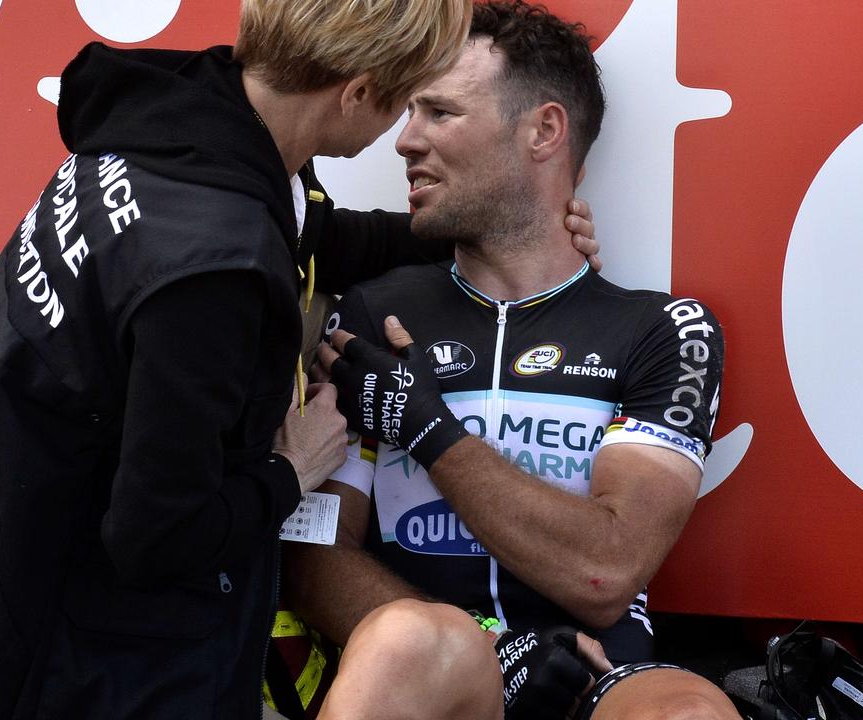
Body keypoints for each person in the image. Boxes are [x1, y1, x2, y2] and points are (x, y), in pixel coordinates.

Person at [0, 0, 601, 718]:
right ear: (357, 94)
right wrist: (290, 470)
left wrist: (472, 229)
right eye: (404, 104)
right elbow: (158, 537)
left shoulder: (193, 119)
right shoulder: (214, 270)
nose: (405, 136)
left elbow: (309, 230)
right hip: (24, 641)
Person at [288, 2, 738, 718]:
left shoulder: (662, 329)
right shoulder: (371, 314)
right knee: (410, 640)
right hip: (428, 663)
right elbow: (310, 557)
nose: (405, 140)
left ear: (544, 131)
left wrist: (429, 430)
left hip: (597, 670)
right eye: (410, 113)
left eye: (440, 113)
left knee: (689, 713)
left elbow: (607, 570)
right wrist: (489, 649)